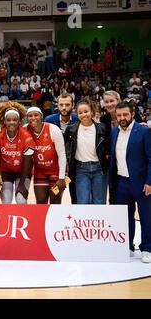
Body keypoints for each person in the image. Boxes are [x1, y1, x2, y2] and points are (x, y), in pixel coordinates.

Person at [110, 102, 151, 263]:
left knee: (146, 216)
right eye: (119, 115)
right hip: (121, 182)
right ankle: (127, 246)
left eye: (125, 114)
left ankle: (147, 248)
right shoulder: (114, 132)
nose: (122, 118)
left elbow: (150, 158)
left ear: (132, 114)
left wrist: (149, 181)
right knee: (125, 217)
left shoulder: (144, 131)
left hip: (141, 182)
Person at [0, 101, 35, 204]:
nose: (12, 122)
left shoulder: (26, 136)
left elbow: (28, 163)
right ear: (4, 121)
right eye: (9, 120)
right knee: (6, 201)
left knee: (21, 200)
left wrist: (21, 184)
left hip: (23, 172)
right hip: (6, 171)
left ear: (19, 121)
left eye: (15, 120)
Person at [65, 101, 109, 204]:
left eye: (86, 111)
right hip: (81, 169)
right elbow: (65, 147)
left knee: (99, 201)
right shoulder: (71, 129)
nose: (83, 114)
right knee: (83, 201)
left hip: (99, 169)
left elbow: (107, 149)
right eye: (80, 112)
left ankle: (98, 220)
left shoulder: (102, 128)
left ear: (92, 112)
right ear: (76, 114)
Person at [26, 107, 67, 204]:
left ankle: (56, 219)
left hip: (57, 172)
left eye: (36, 115)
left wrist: (62, 178)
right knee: (40, 202)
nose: (33, 118)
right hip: (40, 171)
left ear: (41, 117)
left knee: (55, 200)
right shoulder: (25, 130)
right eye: (30, 116)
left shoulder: (53, 129)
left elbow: (62, 154)